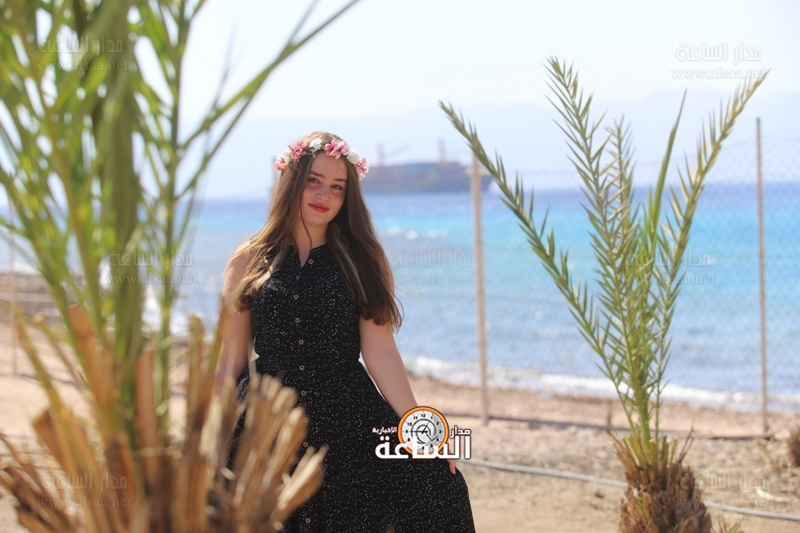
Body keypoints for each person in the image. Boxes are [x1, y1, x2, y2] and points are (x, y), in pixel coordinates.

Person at [217, 131, 475, 532]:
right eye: (313, 181)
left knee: (437, 485)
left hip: (347, 418)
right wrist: (210, 430)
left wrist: (418, 426)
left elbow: (381, 353)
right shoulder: (247, 261)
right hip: (265, 418)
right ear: (290, 182)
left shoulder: (364, 259)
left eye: (337, 186)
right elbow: (230, 361)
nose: (325, 195)